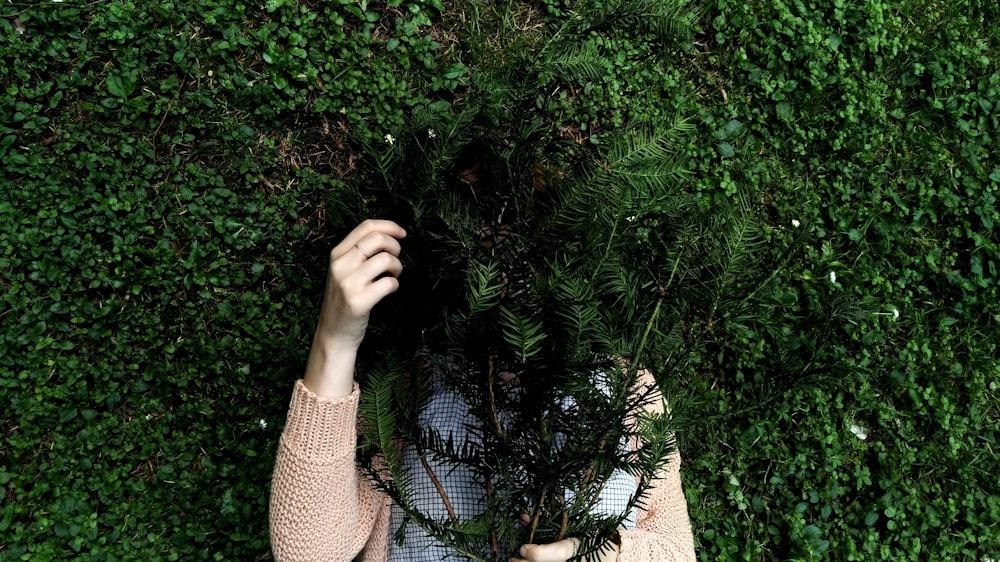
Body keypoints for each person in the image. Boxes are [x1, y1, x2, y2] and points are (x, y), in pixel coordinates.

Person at [269, 220, 696, 562]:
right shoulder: (403, 391)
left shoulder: (628, 390)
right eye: (480, 256)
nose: (500, 284)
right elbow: (308, 553)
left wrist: (593, 553)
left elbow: (676, 550)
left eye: (518, 258)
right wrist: (335, 340)